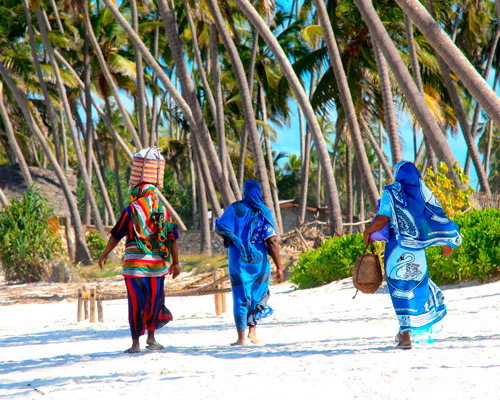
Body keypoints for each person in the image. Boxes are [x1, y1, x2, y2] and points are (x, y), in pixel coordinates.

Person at [363, 161, 461, 349]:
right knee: (415, 287)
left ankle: (405, 336)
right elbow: (435, 219)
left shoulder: (390, 193)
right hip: (417, 252)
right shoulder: (424, 194)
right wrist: (445, 243)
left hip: (396, 250)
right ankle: (405, 332)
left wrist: (368, 232)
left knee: (399, 290)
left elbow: (383, 218)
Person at [99, 183, 180, 353]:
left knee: (136, 303)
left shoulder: (131, 210)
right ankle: (151, 338)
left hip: (134, 267)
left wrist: (105, 254)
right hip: (157, 267)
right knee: (154, 301)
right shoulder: (163, 211)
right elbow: (172, 239)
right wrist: (175, 263)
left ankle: (136, 344)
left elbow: (115, 236)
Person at [215, 180, 283, 346]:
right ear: (259, 192)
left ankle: (241, 338)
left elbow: (219, 229)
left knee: (240, 296)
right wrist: (279, 267)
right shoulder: (264, 211)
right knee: (258, 294)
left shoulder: (235, 208)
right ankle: (253, 331)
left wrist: (233, 239)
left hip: (238, 261)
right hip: (259, 263)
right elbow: (272, 241)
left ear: (244, 192)